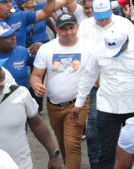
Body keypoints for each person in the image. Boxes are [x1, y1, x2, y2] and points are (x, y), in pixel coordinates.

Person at [73, 28, 134, 169]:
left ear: (126, 41)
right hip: (107, 107)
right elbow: (88, 76)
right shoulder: (99, 50)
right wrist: (79, 103)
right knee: (107, 154)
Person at [0, 46, 64, 169]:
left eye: (0, 69)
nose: (1, 75)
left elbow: (37, 124)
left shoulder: (20, 93)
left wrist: (53, 154)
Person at [29, 13, 94, 169]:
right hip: (54, 105)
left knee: (72, 143)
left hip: (78, 103)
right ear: (56, 30)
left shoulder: (90, 47)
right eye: (64, 29)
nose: (68, 32)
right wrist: (36, 85)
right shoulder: (46, 49)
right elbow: (36, 75)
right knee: (63, 142)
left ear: (77, 27)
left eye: (71, 27)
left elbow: (98, 72)